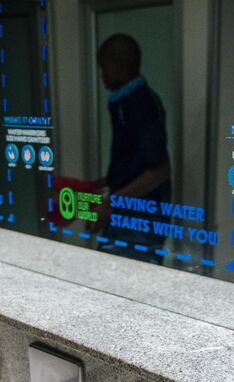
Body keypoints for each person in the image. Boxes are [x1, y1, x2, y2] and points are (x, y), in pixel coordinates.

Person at [91, 33, 171, 263]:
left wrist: (110, 203)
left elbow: (160, 170)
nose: (102, 76)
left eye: (103, 68)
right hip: (128, 217)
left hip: (140, 224)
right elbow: (136, 160)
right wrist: (106, 181)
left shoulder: (139, 103)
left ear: (118, 66)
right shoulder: (125, 103)